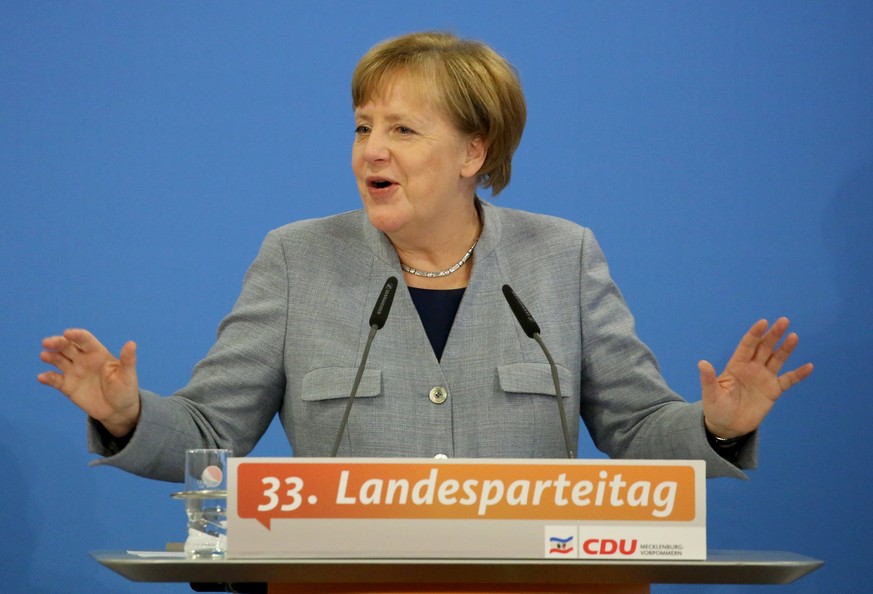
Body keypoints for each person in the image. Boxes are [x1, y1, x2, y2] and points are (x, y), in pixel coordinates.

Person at [38, 32, 812, 483]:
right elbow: (213, 435)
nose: (370, 149)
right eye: (361, 127)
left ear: (474, 149)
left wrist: (714, 427)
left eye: (402, 130)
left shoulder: (561, 257)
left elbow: (638, 431)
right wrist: (126, 415)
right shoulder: (297, 259)